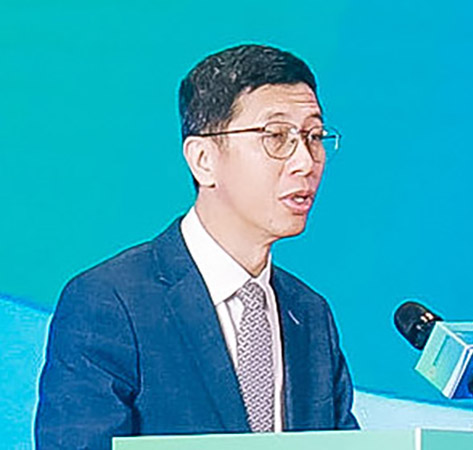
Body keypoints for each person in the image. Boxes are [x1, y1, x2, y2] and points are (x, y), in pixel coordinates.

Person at [35, 44, 359, 449]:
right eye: (276, 137)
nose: (306, 162)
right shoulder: (111, 303)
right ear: (203, 159)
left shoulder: (309, 314)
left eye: (313, 136)